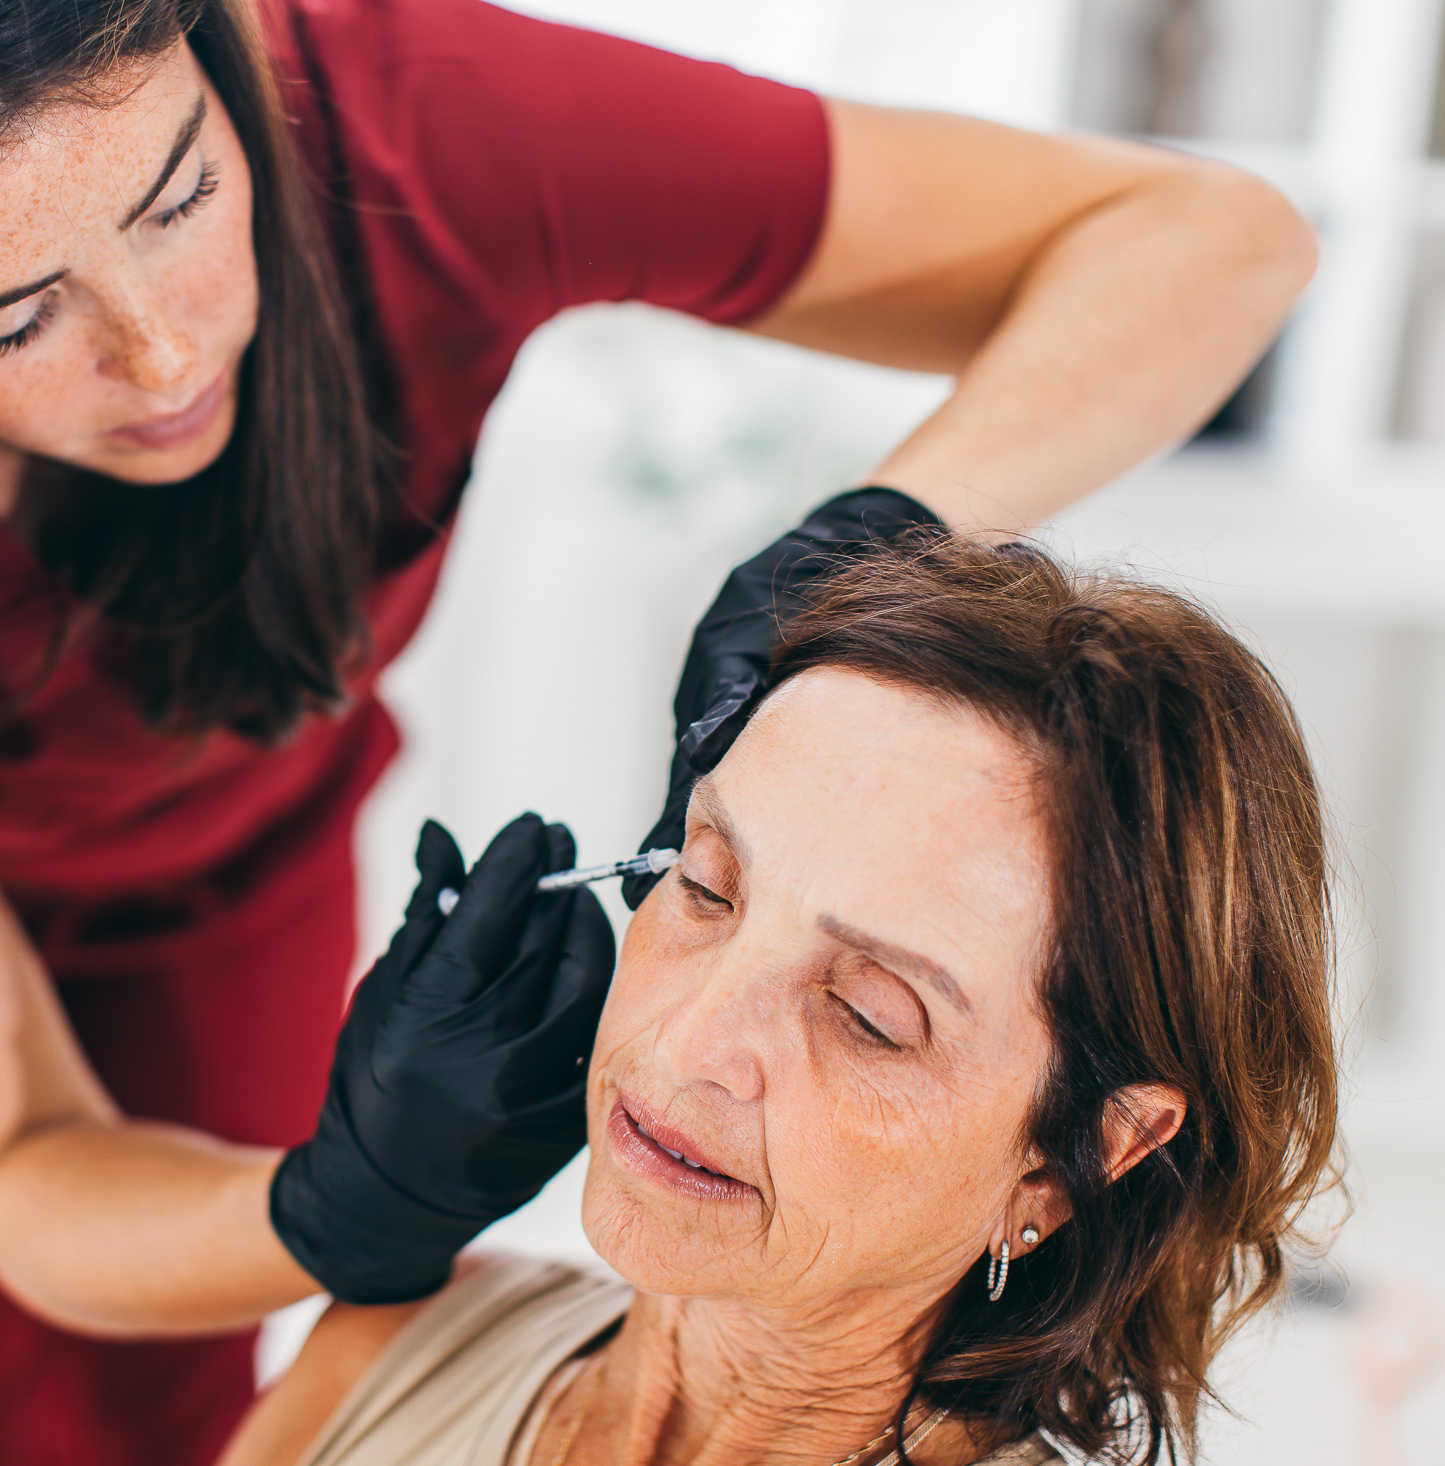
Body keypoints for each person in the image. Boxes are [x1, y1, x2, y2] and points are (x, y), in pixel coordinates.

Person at [0, 0, 1316, 1462]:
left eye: (177, 200)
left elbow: (1206, 237)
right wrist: (333, 1205)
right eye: (7, 319)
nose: (163, 355)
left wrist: (869, 540)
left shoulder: (406, 129)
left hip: (231, 879)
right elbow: (18, 1168)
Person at [212, 537, 1343, 1466]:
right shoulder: (403, 1334)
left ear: (1069, 1156)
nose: (687, 1040)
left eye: (867, 1013)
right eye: (705, 883)